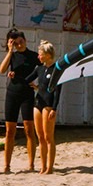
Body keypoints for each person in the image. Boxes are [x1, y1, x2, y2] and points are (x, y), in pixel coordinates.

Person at [0, 29, 39, 173]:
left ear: (25, 41)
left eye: (21, 42)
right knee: (10, 131)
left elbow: (46, 69)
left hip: (27, 94)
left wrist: (38, 85)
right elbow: (2, 70)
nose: (19, 45)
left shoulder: (33, 56)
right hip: (12, 93)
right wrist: (10, 51)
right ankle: (7, 165)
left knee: (29, 129)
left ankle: (31, 165)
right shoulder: (13, 56)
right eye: (16, 43)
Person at [32, 40, 60, 175]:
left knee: (49, 137)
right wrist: (14, 75)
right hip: (38, 103)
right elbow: (27, 79)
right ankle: (42, 166)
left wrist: (54, 108)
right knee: (40, 137)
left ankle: (50, 167)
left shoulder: (56, 69)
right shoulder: (39, 68)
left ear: (48, 55)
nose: (38, 56)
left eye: (40, 54)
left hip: (48, 105)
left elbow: (57, 91)